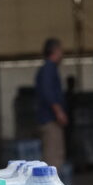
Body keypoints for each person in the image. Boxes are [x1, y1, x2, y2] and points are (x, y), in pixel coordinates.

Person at [35, 38, 68, 169]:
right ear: (55, 50)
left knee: (55, 155)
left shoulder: (49, 69)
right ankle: (49, 183)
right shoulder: (49, 68)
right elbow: (48, 92)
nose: (62, 54)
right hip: (50, 120)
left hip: (50, 119)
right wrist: (59, 112)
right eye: (60, 50)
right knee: (53, 158)